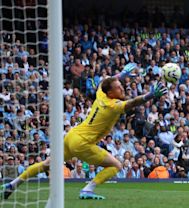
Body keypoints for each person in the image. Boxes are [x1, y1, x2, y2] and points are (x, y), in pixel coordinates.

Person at [1, 63, 168, 200]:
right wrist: (150, 95)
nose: (122, 89)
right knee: (116, 165)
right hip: (82, 143)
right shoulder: (113, 106)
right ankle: (88, 189)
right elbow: (132, 103)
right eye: (119, 87)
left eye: (121, 85)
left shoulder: (101, 95)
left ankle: (12, 184)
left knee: (46, 164)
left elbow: (106, 83)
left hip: (72, 136)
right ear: (111, 93)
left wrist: (122, 75)